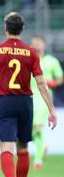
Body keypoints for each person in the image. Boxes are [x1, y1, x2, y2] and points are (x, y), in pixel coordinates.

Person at [0, 12, 57, 177]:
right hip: (26, 102)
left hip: (5, 101)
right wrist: (51, 110)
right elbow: (42, 84)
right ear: (22, 29)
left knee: (6, 148)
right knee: (24, 147)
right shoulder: (31, 52)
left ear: (5, 28)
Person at [30, 36, 63, 169]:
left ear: (44, 45)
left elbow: (60, 78)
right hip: (29, 97)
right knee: (31, 129)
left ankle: (38, 159)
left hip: (44, 98)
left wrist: (52, 83)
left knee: (38, 127)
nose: (36, 45)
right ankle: (42, 146)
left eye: (39, 43)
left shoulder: (51, 61)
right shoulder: (28, 60)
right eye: (34, 43)